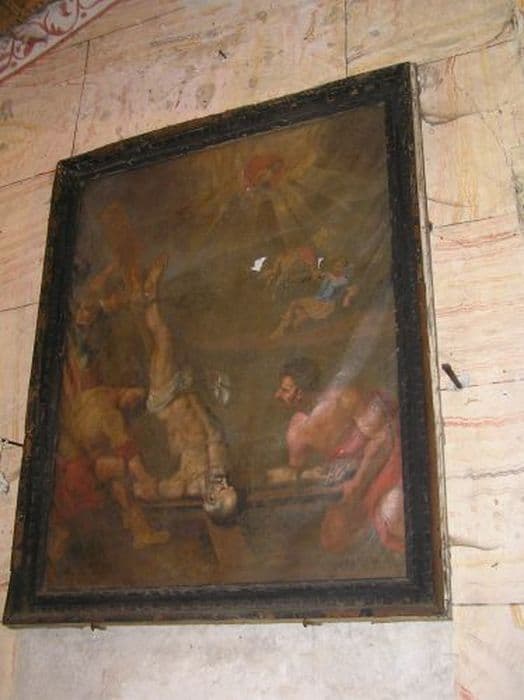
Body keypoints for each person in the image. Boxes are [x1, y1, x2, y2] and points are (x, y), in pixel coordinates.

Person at [273, 357, 405, 554]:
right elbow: (297, 471)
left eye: (285, 390)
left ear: (300, 392)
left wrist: (358, 483)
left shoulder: (344, 399)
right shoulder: (296, 431)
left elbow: (384, 439)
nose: (277, 395)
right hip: (349, 481)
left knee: (392, 514)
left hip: (386, 462)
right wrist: (306, 474)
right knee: (332, 537)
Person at [143, 255, 235, 504]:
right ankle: (151, 294)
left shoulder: (192, 480)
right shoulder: (212, 461)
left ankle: (151, 295)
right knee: (164, 338)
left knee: (163, 338)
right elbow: (212, 431)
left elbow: (163, 485)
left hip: (166, 402)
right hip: (176, 399)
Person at [270, 257, 357, 338]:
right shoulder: (328, 275)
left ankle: (282, 330)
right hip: (317, 300)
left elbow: (340, 291)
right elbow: (318, 279)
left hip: (325, 305)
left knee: (296, 305)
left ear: (344, 269)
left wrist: (348, 295)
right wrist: (314, 275)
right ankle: (285, 330)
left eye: (340, 267)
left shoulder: (342, 280)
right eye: (335, 266)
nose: (337, 269)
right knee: (299, 312)